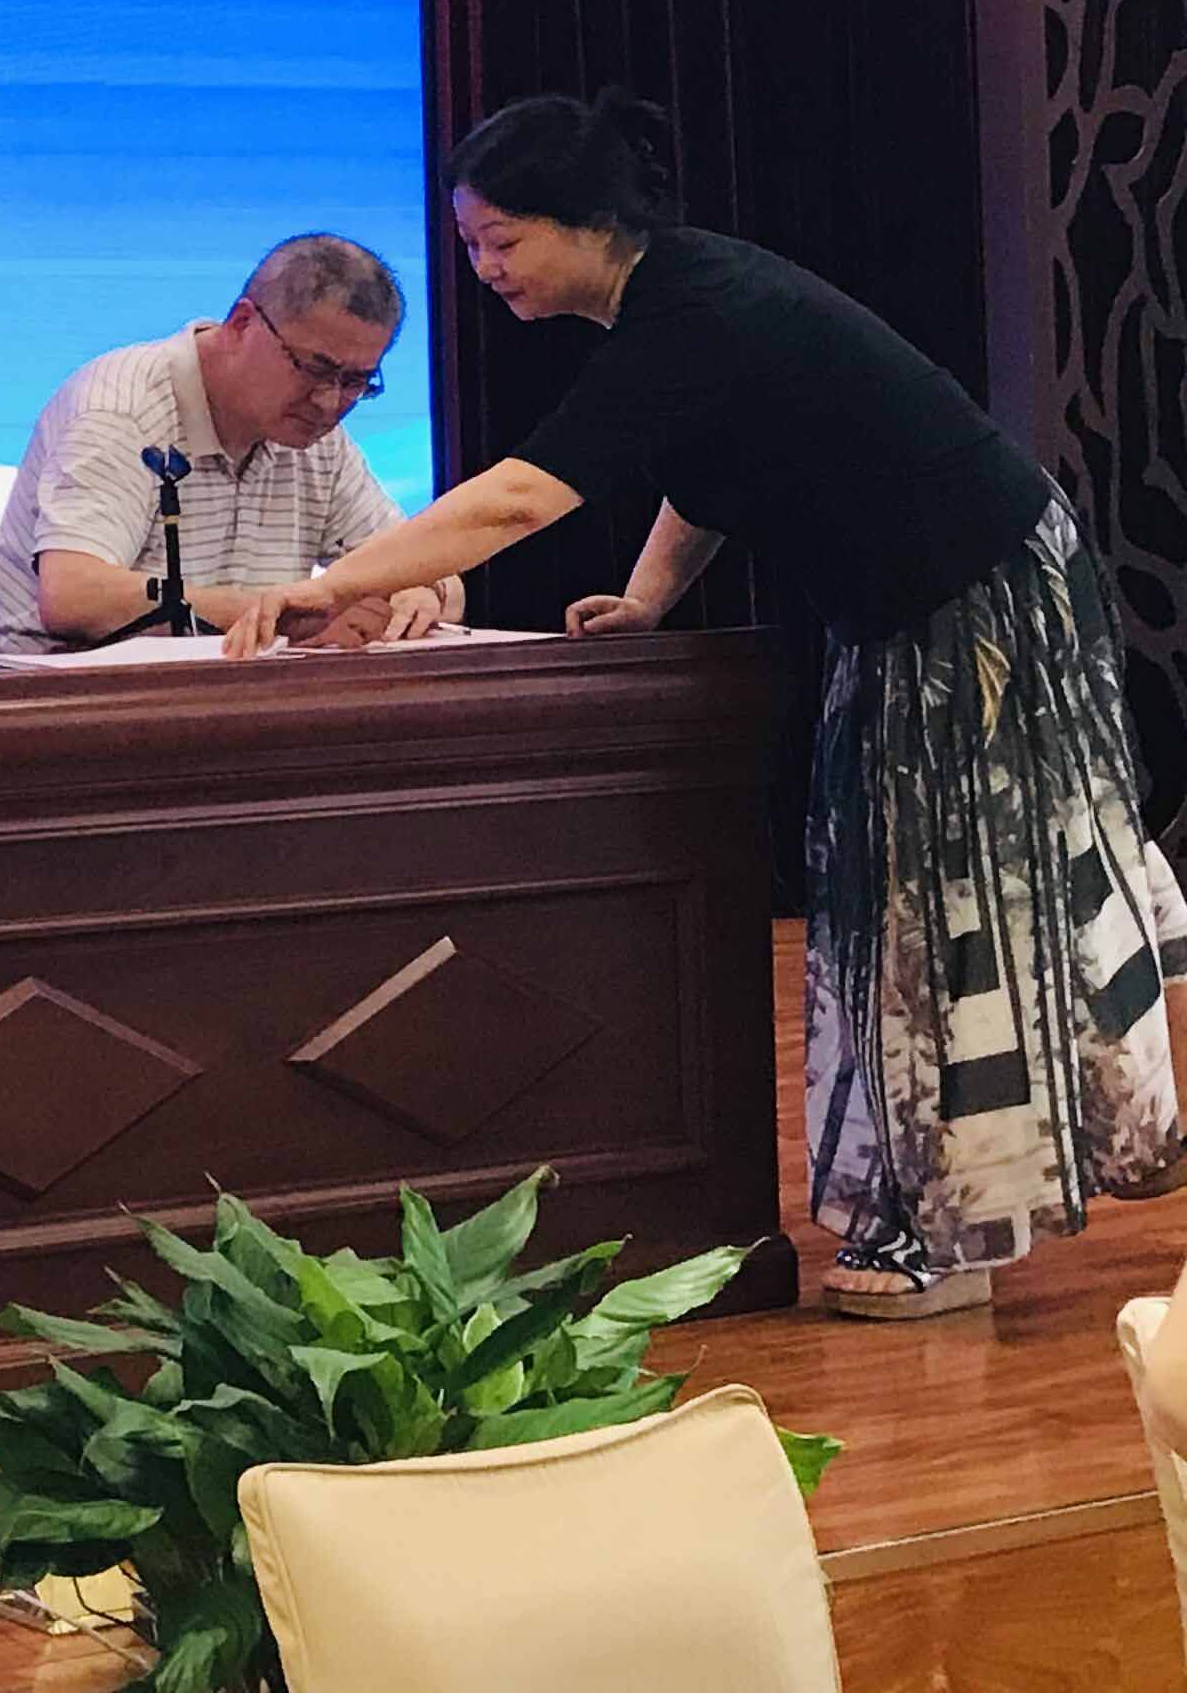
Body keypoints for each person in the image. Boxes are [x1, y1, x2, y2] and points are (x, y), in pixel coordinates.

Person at [219, 95, 1187, 1318]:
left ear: (588, 222)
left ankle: (960, 1233)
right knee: (933, 895)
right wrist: (647, 599)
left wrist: (326, 586)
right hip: (926, 606)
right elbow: (712, 469)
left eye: (502, 239)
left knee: (940, 908)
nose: (485, 269)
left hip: (969, 603)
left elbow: (519, 500)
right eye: (469, 243)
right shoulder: (675, 305)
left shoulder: (698, 306)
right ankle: (1104, 1136)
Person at [0, 235, 464, 662]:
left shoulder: (315, 437)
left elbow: (432, 568)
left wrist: (420, 592)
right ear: (243, 323)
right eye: (314, 369)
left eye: (356, 382)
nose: (330, 401)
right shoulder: (121, 409)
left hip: (223, 699)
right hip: (37, 704)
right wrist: (282, 615)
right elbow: (73, 595)